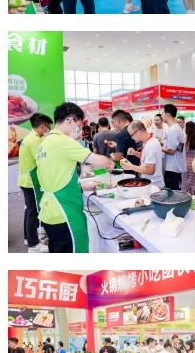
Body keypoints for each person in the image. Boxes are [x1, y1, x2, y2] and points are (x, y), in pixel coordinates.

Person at [35, 102, 114, 253]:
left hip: (49, 211)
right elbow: (98, 161)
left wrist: (83, 186)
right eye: (78, 125)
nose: (77, 130)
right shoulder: (63, 141)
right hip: (65, 212)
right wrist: (109, 162)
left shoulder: (45, 143)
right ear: (69, 120)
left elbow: (55, 179)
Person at [17, 113, 52, 253]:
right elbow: (42, 161)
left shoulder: (30, 137)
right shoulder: (35, 141)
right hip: (31, 181)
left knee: (29, 211)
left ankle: (29, 238)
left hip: (26, 180)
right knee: (33, 213)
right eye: (48, 128)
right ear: (42, 127)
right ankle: (33, 245)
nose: (48, 131)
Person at [120, 120, 165, 189]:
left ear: (139, 132)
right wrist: (135, 153)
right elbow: (147, 157)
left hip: (153, 186)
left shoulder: (150, 145)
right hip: (151, 183)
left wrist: (131, 166)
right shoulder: (150, 141)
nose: (132, 138)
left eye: (131, 135)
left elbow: (150, 170)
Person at [160, 104, 186, 190]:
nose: (161, 116)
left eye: (162, 113)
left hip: (172, 168)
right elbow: (177, 146)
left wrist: (159, 148)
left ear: (167, 115)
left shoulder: (172, 130)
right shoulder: (176, 128)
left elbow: (171, 151)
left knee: (172, 192)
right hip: (176, 167)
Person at [181, 120, 195, 194]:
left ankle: (184, 197)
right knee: (194, 183)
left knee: (185, 184)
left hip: (185, 163)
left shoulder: (184, 138)